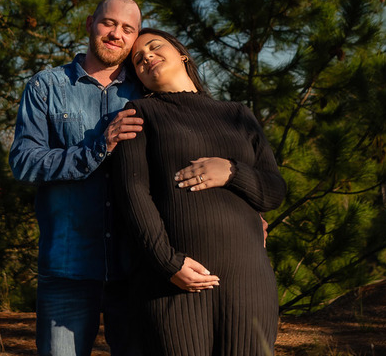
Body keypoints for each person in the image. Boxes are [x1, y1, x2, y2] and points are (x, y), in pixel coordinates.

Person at [113, 28, 287, 356]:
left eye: (153, 47)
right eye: (137, 60)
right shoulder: (138, 114)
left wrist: (233, 172)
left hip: (249, 281)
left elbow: (274, 191)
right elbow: (133, 193)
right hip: (172, 284)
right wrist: (168, 263)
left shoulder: (238, 114)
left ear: (182, 53)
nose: (146, 57)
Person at [9, 0, 147, 356]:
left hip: (135, 266)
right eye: (109, 23)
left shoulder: (147, 91)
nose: (116, 33)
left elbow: (187, 151)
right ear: (90, 24)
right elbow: (24, 162)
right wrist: (96, 150)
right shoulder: (46, 87)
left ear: (136, 37)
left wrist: (244, 207)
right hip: (67, 266)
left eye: (127, 29)